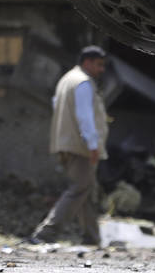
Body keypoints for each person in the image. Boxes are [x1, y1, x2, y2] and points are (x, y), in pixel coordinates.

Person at [30, 45, 110, 245]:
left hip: (67, 143)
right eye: (99, 65)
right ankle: (46, 233)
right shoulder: (83, 83)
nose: (101, 70)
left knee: (87, 191)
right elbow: (85, 117)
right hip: (80, 146)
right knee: (80, 187)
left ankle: (92, 237)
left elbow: (57, 105)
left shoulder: (67, 80)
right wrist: (92, 144)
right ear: (87, 62)